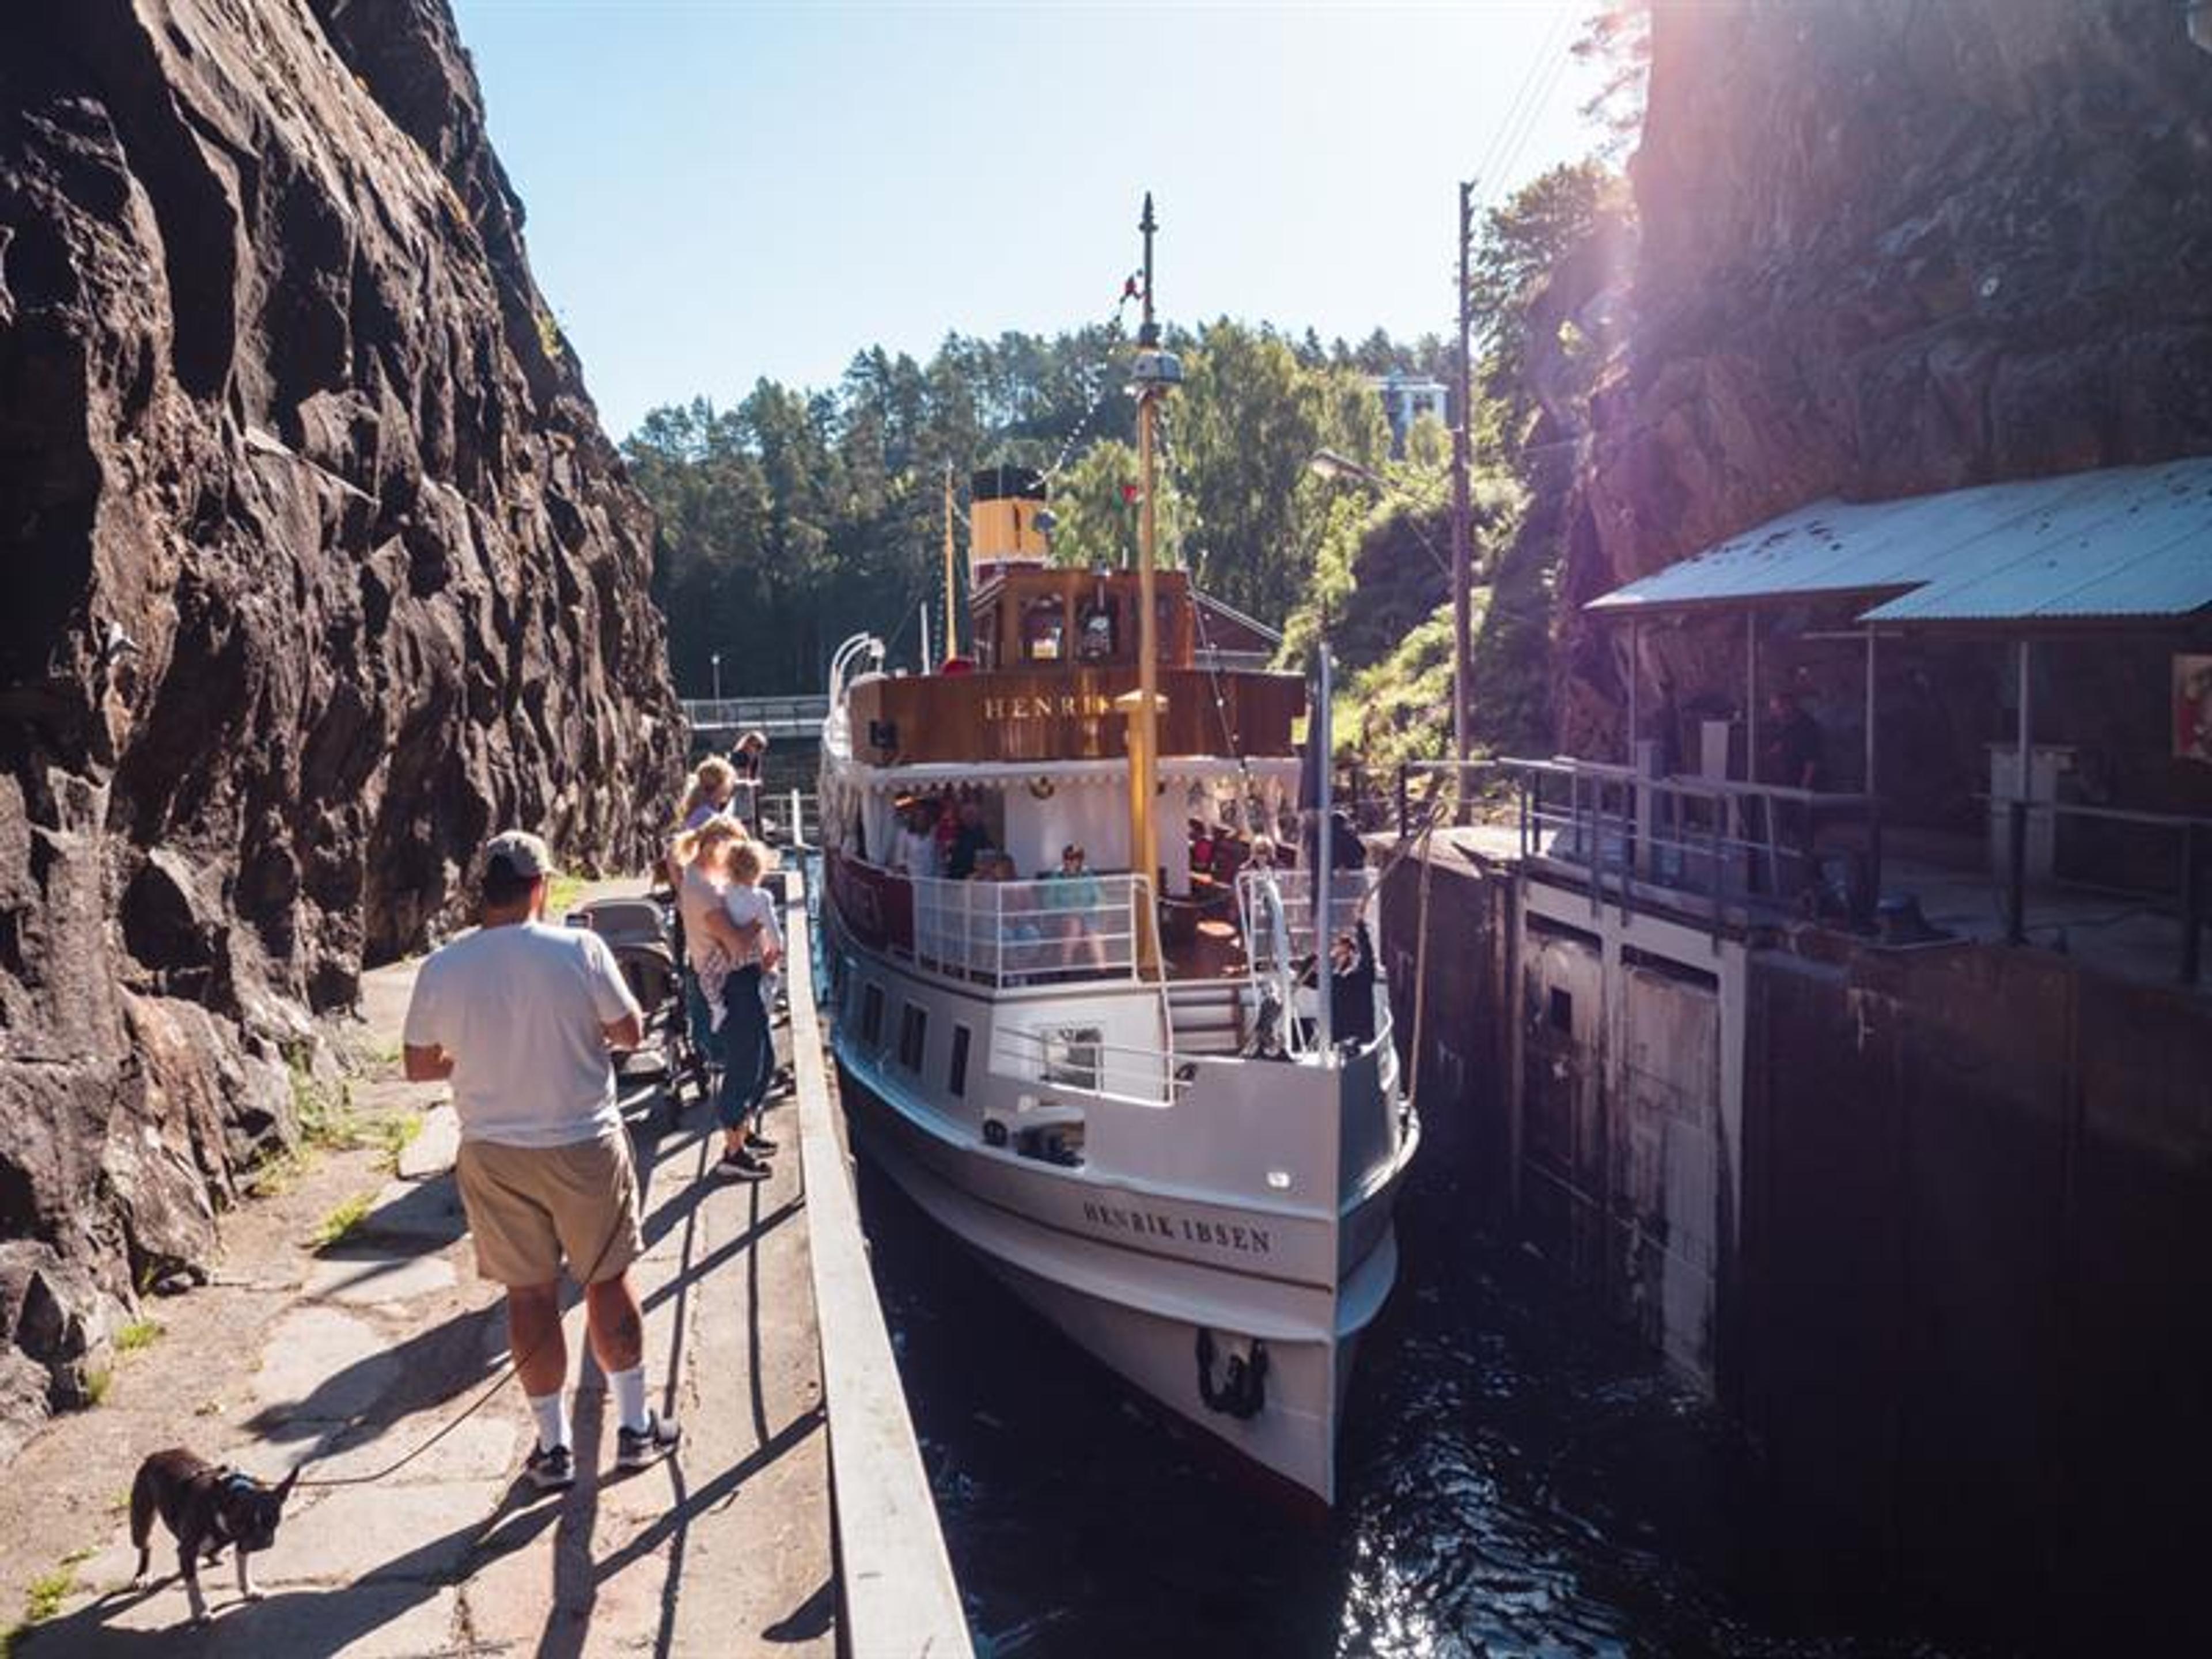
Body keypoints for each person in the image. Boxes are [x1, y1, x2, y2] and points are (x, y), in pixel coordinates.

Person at [402, 831, 680, 1491]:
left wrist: (476, 1053)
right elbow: (631, 1031)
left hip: (494, 1151)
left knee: (527, 1295)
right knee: (606, 1282)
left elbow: (418, 1066)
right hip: (583, 1139)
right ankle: (636, 1430)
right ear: (540, 888)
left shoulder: (443, 967)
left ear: (482, 894)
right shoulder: (580, 949)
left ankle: (553, 1449)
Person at [699, 836, 783, 1180]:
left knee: (758, 1060)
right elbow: (775, 943)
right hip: (746, 984)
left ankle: (743, 1134)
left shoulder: (720, 897)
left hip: (728, 983)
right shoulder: (761, 898)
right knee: (750, 1064)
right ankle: (733, 1153)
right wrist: (770, 965)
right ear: (759, 868)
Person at [670, 815, 760, 1086]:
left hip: (702, 971)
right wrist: (760, 921)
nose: (735, 860)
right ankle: (732, 1119)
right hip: (723, 982)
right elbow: (735, 944)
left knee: (732, 1058)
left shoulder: (694, 876)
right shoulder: (704, 890)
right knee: (738, 1061)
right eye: (733, 851)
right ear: (715, 846)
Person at [1327, 922, 1378, 1049]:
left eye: (1346, 951)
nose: (1343, 956)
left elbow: (1368, 957)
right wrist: (1326, 954)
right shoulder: (1333, 979)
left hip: (1362, 1042)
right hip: (1337, 1043)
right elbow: (1307, 973)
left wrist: (1360, 929)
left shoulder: (1362, 975)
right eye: (1339, 953)